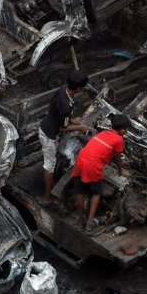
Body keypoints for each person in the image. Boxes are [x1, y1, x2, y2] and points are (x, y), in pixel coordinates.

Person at [38, 70, 91, 206]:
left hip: (49, 126)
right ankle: (47, 197)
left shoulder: (64, 89)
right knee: (49, 166)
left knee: (53, 160)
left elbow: (60, 115)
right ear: (79, 88)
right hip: (49, 134)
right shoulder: (66, 106)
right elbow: (62, 128)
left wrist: (72, 121)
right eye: (84, 86)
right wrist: (80, 128)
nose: (85, 88)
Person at [72, 114, 130, 233]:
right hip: (92, 165)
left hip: (81, 159)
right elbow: (118, 158)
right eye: (127, 130)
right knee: (96, 193)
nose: (127, 132)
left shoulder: (103, 133)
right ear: (123, 129)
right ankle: (89, 224)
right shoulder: (119, 139)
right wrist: (121, 171)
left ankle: (79, 221)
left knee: (80, 192)